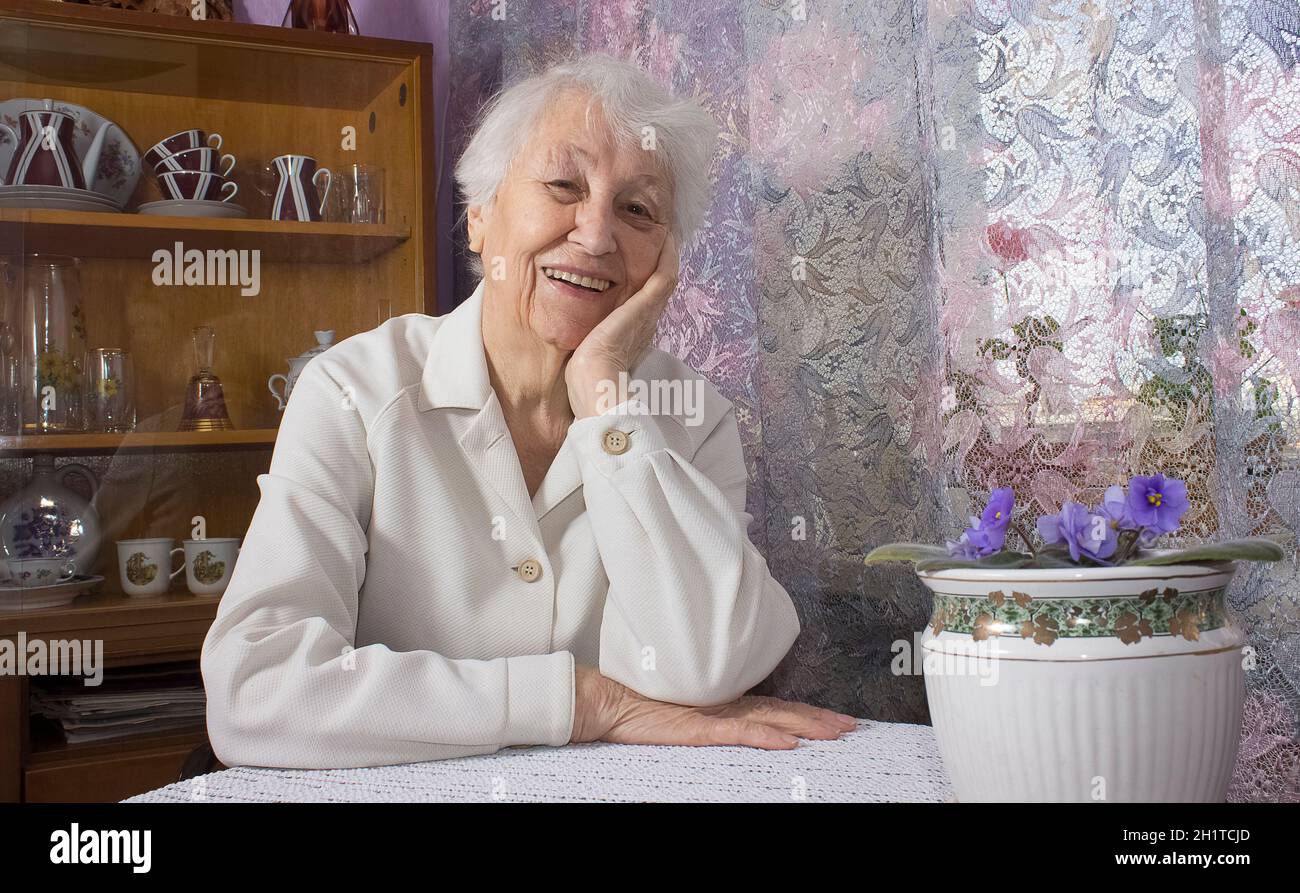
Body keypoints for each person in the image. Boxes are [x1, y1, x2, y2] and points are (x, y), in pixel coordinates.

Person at [201, 53, 856, 769]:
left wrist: (605, 393)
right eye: (562, 185)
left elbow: (709, 664)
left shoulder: (690, 417)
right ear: (479, 216)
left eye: (638, 210)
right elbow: (256, 689)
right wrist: (582, 702)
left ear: (664, 261)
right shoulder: (352, 392)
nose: (598, 234)